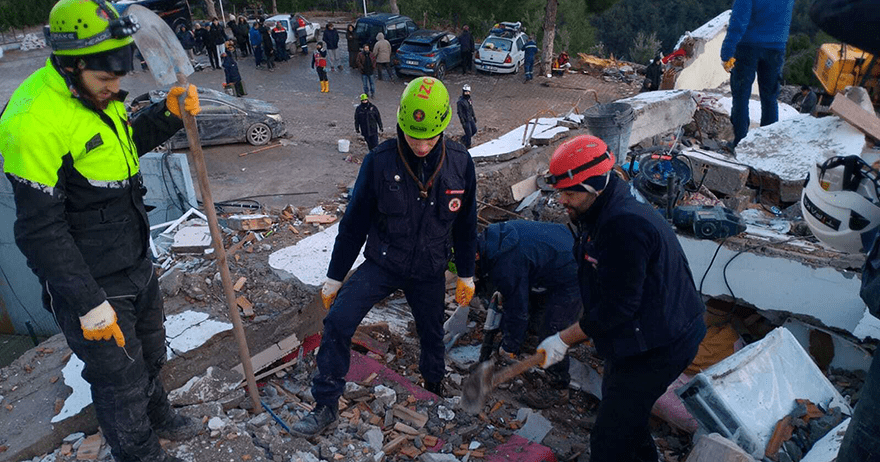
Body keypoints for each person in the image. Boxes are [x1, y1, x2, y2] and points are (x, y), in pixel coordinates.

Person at [0, 1, 204, 461]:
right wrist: (89, 304)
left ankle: (159, 419)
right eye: (106, 80)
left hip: (133, 255)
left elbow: (118, 147)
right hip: (91, 278)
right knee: (119, 378)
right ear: (71, 65)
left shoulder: (94, 93)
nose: (115, 90)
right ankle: (139, 452)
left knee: (151, 352)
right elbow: (39, 231)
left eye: (119, 79)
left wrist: (166, 114)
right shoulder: (31, 123)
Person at [290, 77, 477, 437]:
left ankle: (434, 389)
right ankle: (325, 404)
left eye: (429, 137)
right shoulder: (379, 162)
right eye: (412, 135)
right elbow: (354, 224)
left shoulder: (459, 164)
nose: (421, 146)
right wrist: (334, 277)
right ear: (400, 124)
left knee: (432, 335)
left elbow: (466, 225)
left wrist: (466, 273)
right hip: (384, 263)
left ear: (443, 127)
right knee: (338, 321)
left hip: (428, 270)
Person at [538, 135, 706, 462]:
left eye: (570, 192)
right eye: (560, 192)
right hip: (637, 332)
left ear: (596, 186)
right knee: (625, 410)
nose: (562, 201)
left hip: (662, 341)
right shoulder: (601, 207)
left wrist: (564, 339)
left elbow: (619, 305)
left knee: (609, 439)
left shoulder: (624, 224)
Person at [476, 220, 583, 408]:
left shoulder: (505, 263)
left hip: (572, 269)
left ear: (477, 256)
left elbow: (517, 310)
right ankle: (530, 341)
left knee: (553, 330)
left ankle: (557, 388)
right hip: (554, 253)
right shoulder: (492, 237)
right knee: (532, 306)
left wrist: (509, 346)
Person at [720, 0, 795, 147]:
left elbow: (739, 19)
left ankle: (740, 143)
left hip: (747, 46)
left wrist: (727, 51)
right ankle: (766, 145)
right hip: (776, 47)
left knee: (741, 95)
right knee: (770, 97)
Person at [457, 84, 477, 148]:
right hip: (466, 120)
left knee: (474, 130)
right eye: (466, 92)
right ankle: (467, 146)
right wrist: (463, 122)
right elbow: (460, 113)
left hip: (470, 118)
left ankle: (463, 138)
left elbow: (471, 108)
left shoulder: (469, 99)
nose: (467, 93)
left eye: (468, 92)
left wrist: (474, 116)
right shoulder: (460, 102)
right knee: (469, 134)